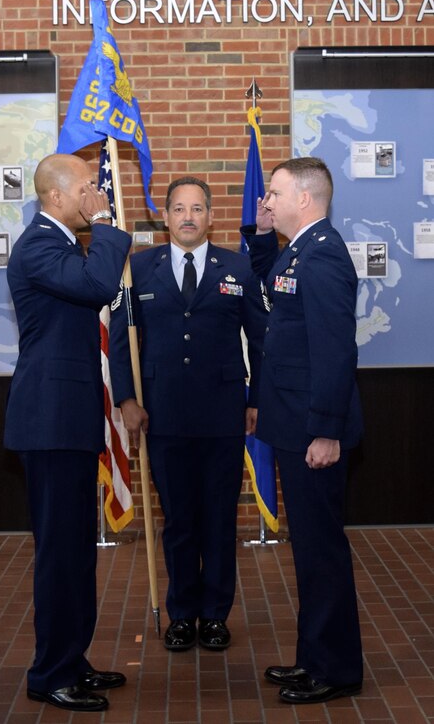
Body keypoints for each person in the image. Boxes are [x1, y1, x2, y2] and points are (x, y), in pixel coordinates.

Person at [109, 176, 268, 652]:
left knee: (219, 519)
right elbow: (121, 340)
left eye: (197, 208)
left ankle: (215, 615)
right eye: (179, 208)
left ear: (211, 217)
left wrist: (257, 399)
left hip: (223, 414)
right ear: (165, 217)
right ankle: (181, 614)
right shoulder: (138, 268)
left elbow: (260, 340)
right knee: (178, 520)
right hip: (163, 415)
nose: (188, 217)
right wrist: (127, 399)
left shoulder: (238, 267)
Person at [3, 153, 132, 713]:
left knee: (78, 550)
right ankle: (50, 673)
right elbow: (99, 283)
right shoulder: (38, 246)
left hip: (69, 419)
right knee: (59, 553)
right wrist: (104, 223)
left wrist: (97, 227)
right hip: (49, 420)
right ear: (55, 196)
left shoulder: (61, 245)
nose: (96, 194)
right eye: (87, 188)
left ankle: (72, 660)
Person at [241, 157, 363, 704]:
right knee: (309, 550)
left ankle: (335, 669)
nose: (266, 200)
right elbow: (275, 288)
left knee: (321, 551)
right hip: (294, 422)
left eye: (275, 193)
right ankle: (314, 657)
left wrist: (326, 431)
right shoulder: (301, 250)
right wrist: (264, 235)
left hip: (313, 427)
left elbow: (335, 350)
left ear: (305, 200)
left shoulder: (324, 255)